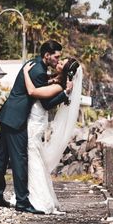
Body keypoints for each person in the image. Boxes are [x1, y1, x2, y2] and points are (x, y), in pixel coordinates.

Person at [0, 40, 71, 215]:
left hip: (8, 114)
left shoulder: (33, 64)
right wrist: (63, 94)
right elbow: (45, 102)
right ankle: (22, 201)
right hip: (18, 118)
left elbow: (41, 85)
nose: (58, 60)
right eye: (56, 57)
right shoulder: (39, 71)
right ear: (47, 55)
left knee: (2, 158)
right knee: (20, 159)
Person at [21, 58, 80, 214]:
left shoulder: (60, 86)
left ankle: (38, 199)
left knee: (33, 155)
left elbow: (44, 101)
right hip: (36, 119)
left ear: (66, 71)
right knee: (34, 155)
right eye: (60, 61)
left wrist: (25, 73)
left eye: (62, 64)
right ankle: (32, 195)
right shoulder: (56, 81)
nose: (58, 63)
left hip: (36, 120)